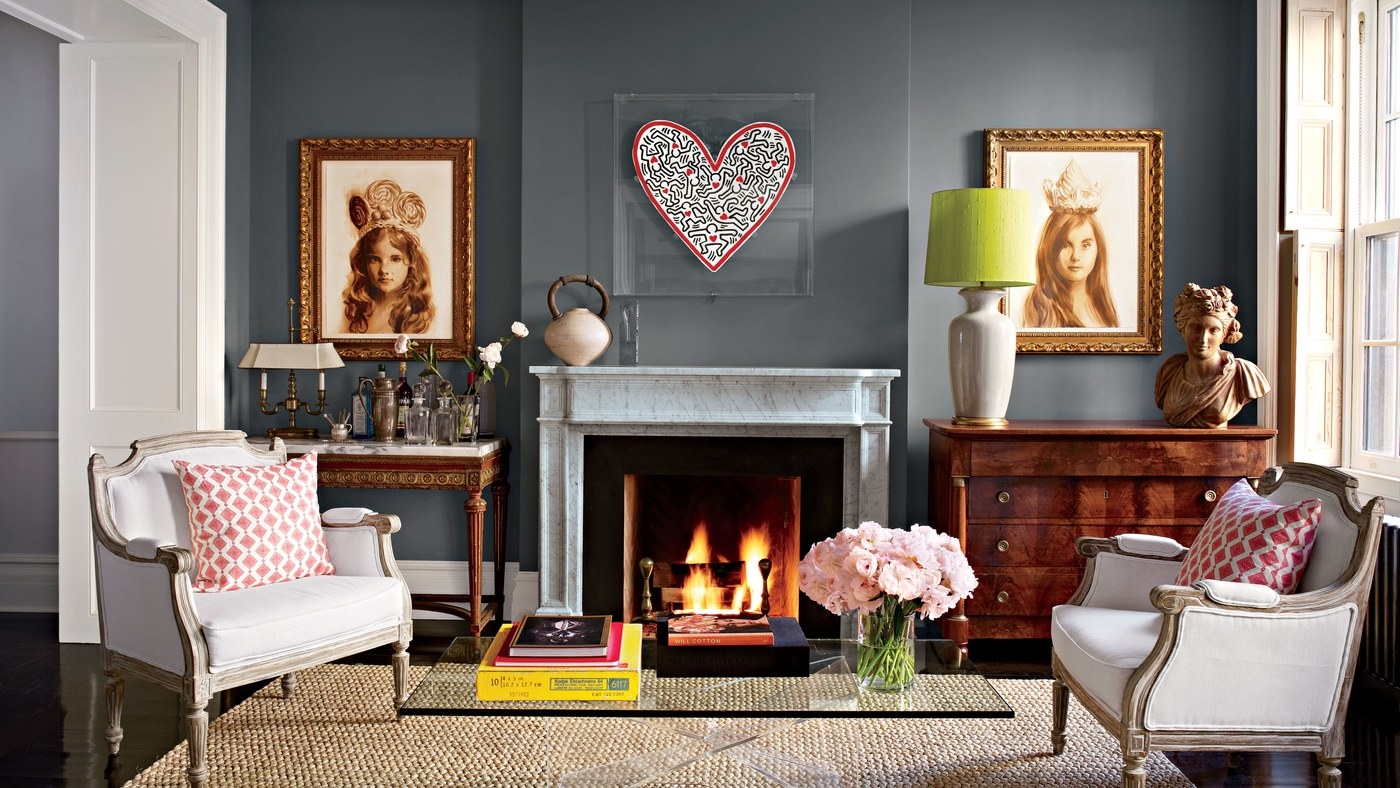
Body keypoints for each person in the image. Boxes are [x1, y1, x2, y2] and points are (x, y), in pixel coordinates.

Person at [1155, 283, 1271, 429]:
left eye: (1213, 330)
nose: (1203, 339)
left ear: (1225, 334)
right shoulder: (1169, 371)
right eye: (1195, 328)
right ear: (1183, 329)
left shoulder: (1244, 373)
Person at [1020, 160, 1120, 329]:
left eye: (1085, 245)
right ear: (1050, 248)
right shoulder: (1038, 308)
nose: (1076, 256)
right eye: (1066, 245)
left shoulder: (1104, 307)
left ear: (1098, 250)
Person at [341, 179, 435, 334]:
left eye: (395, 259)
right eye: (374, 259)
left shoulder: (418, 317)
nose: (384, 269)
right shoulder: (356, 313)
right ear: (363, 262)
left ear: (411, 260)